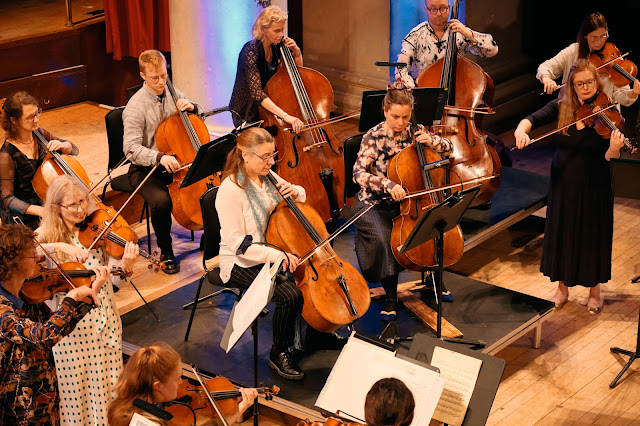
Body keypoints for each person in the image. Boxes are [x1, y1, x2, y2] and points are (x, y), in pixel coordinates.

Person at [216, 127, 346, 381]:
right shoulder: (230, 190)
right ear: (245, 155)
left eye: (272, 155)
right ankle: (279, 352)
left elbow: (300, 199)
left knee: (307, 280)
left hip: (276, 249)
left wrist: (295, 191)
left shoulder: (268, 176)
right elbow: (237, 245)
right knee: (289, 294)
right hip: (242, 261)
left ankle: (316, 334)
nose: (271, 161)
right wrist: (278, 256)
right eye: (264, 157)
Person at [514, 59, 626, 314]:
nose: (585, 88)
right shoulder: (563, 106)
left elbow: (610, 158)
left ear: (596, 82)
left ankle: (595, 292)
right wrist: (522, 131)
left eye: (589, 82)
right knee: (563, 233)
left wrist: (615, 148)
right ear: (572, 86)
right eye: (579, 84)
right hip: (563, 182)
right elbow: (531, 118)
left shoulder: (608, 111)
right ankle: (562, 289)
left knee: (591, 236)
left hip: (593, 184)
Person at [36, 175, 140, 425]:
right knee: (75, 399)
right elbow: (29, 253)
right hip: (70, 331)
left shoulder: (98, 231)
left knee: (108, 396)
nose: (81, 210)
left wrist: (125, 268)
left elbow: (116, 284)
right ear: (55, 207)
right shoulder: (45, 235)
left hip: (104, 324)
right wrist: (63, 245)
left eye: (83, 202)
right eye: (73, 205)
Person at [353, 81, 453, 320]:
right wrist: (388, 184)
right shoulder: (373, 137)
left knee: (433, 225)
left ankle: (433, 278)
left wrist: (434, 142)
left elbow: (449, 150)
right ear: (385, 111)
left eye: (405, 117)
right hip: (375, 203)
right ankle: (390, 296)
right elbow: (358, 174)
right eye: (395, 116)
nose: (400, 123)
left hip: (411, 202)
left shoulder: (416, 132)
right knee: (386, 238)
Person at [0, 223, 106, 425]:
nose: (39, 259)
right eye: (33, 255)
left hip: (43, 402)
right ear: (14, 262)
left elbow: (60, 326)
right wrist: (71, 297)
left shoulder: (26, 297)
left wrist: (92, 291)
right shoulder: (3, 311)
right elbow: (44, 336)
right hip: (18, 413)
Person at [122, 49, 203, 274]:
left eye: (164, 76)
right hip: (146, 168)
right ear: (142, 76)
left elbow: (198, 117)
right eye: (154, 78)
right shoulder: (135, 107)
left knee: (207, 182)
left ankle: (211, 238)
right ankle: (166, 251)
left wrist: (193, 108)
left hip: (177, 162)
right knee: (161, 202)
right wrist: (158, 157)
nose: (160, 82)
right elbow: (130, 149)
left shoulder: (172, 91)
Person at [107, 342, 258, 426]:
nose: (181, 383)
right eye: (177, 378)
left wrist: (239, 409)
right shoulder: (147, 422)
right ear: (157, 386)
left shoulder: (139, 405)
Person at [0, 92, 79, 229]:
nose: (36, 120)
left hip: (48, 201)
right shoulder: (7, 155)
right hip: (25, 215)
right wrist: (41, 211)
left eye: (37, 113)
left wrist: (64, 146)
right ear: (14, 120)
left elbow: (74, 150)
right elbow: (7, 199)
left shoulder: (39, 134)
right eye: (30, 117)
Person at [229, 5, 305, 132]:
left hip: (268, 106)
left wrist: (297, 53)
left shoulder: (276, 47)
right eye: (276, 31)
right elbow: (257, 94)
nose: (281, 35)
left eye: (282, 30)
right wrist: (286, 116)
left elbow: (296, 74)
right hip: (248, 111)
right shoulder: (251, 51)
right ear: (264, 29)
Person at [537, 12, 640, 106]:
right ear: (585, 36)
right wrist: (546, 78)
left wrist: (631, 94)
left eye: (603, 36)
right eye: (594, 37)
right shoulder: (574, 51)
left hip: (602, 114)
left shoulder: (613, 55)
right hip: (570, 109)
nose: (599, 41)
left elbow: (621, 96)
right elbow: (545, 66)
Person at [395, 0, 499, 88]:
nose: (439, 13)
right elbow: (401, 67)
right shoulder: (415, 36)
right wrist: (412, 88)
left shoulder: (459, 32)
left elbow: (492, 51)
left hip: (457, 93)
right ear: (426, 10)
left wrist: (469, 34)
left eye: (442, 8)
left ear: (449, 7)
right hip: (425, 97)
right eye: (433, 9)